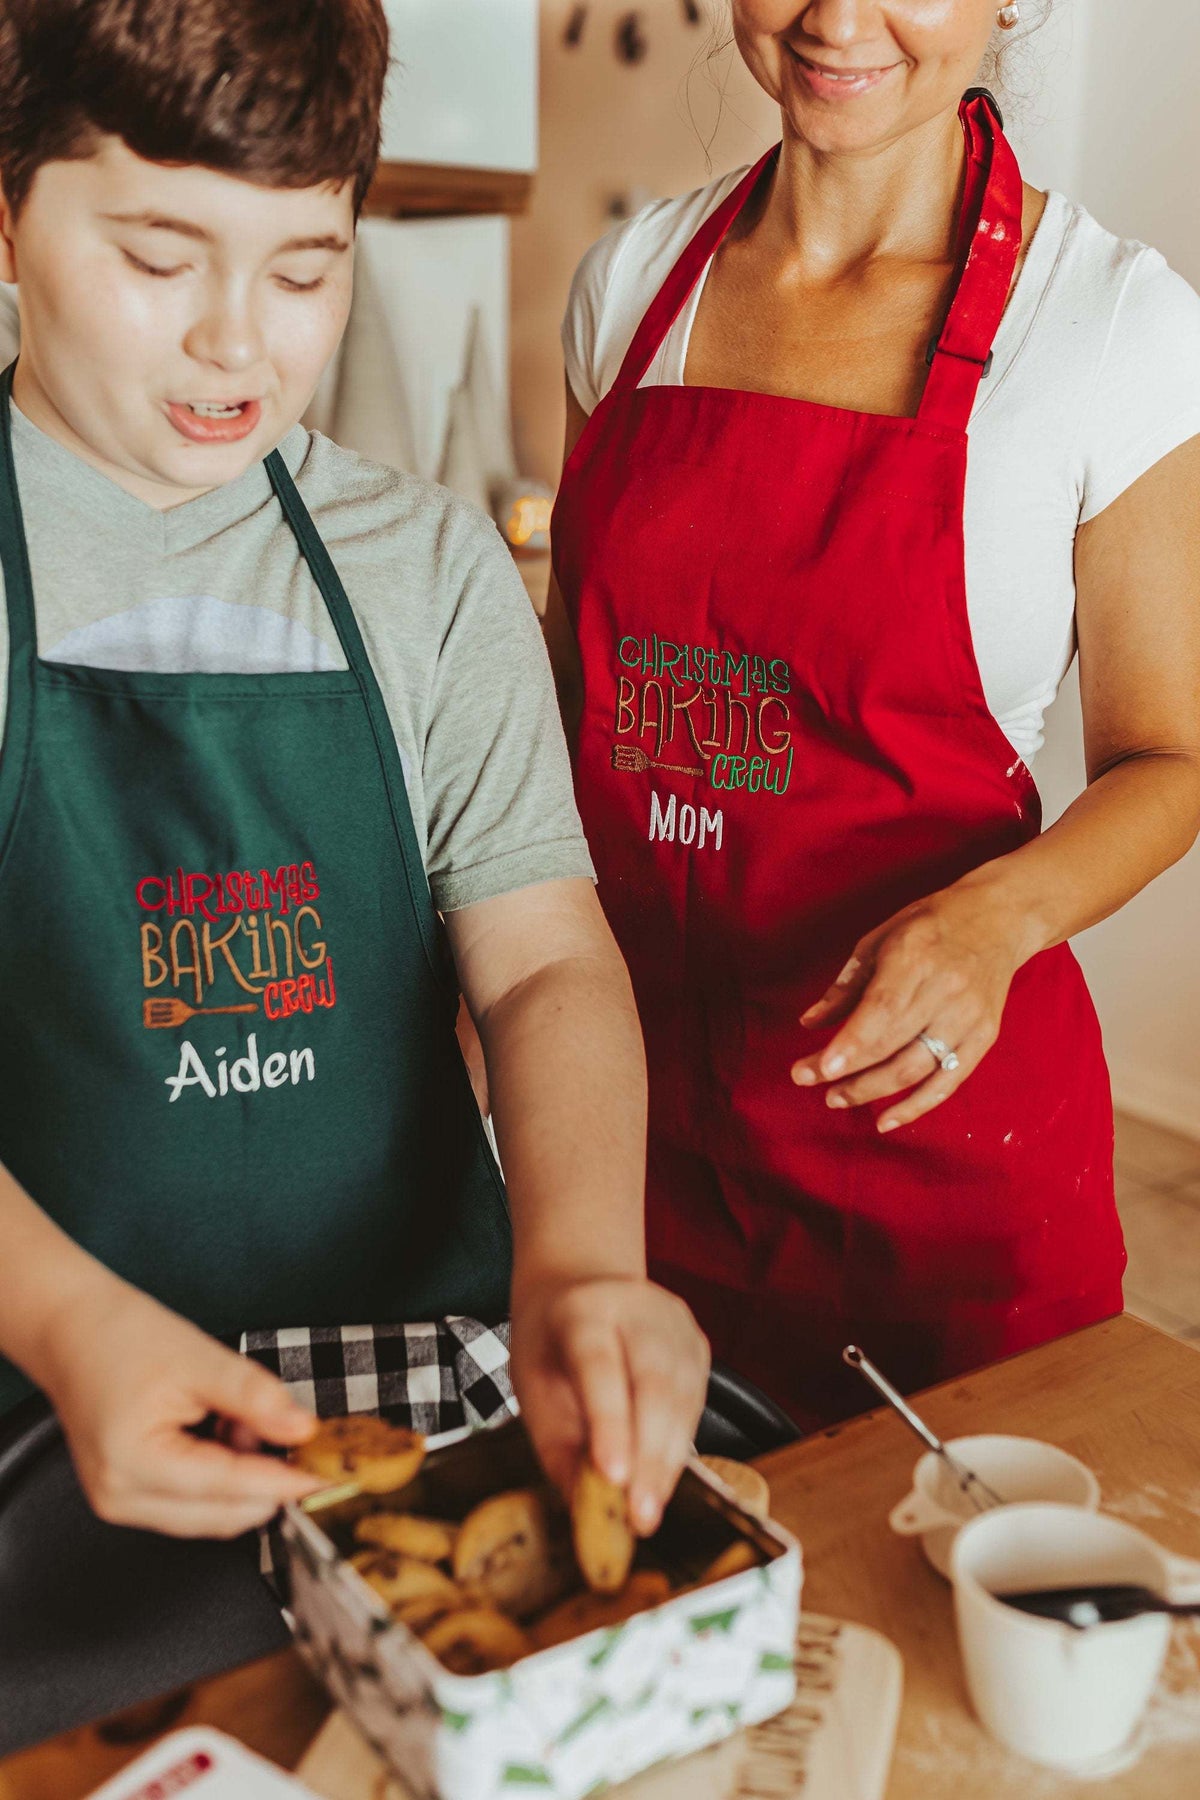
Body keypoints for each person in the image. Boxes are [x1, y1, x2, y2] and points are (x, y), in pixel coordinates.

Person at [0, 0, 708, 1541]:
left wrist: (586, 1268)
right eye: (157, 257)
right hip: (42, 1424)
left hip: (415, 1389)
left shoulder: (428, 566)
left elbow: (539, 966)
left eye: (306, 267)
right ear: (7, 214)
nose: (235, 339)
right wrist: (62, 1320)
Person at [544, 0, 1200, 1427]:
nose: (838, 19)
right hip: (629, 1150)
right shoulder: (627, 286)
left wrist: (1001, 919)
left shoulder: (1108, 326)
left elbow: (1175, 758)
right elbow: (571, 711)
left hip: (938, 1170)